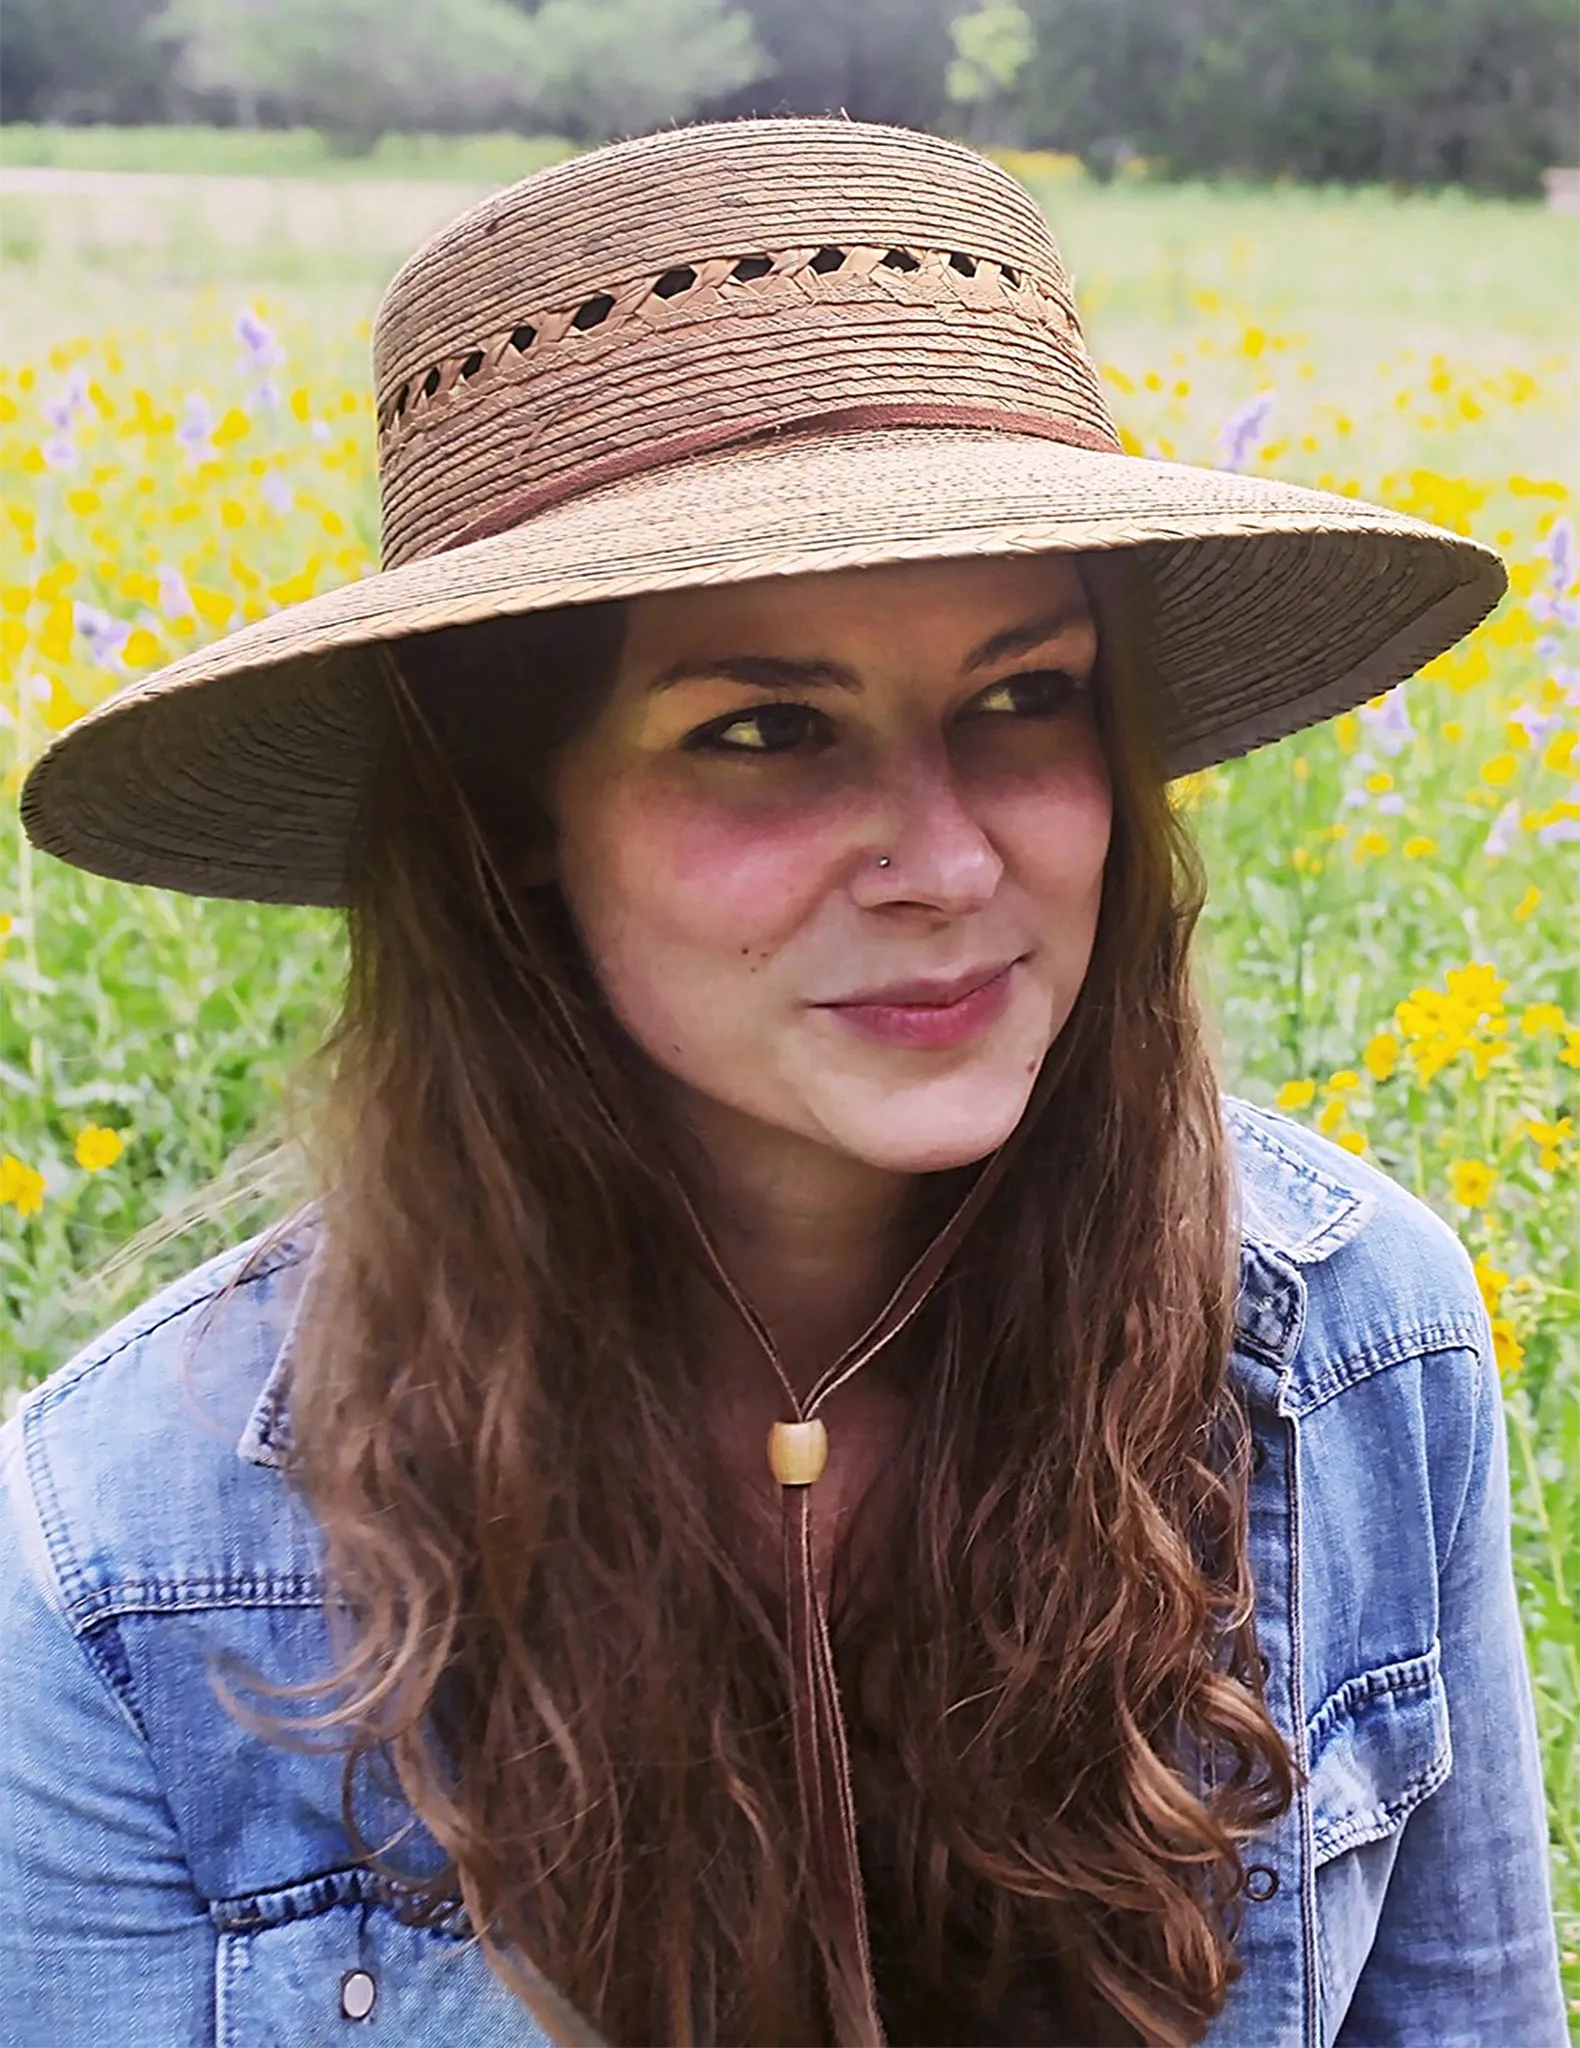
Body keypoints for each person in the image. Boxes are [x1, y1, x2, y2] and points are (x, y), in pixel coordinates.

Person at [1, 117, 1566, 2048]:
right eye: (763, 730)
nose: (948, 859)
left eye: (1024, 697)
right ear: (517, 822)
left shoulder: (1353, 1348)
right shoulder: (124, 1556)